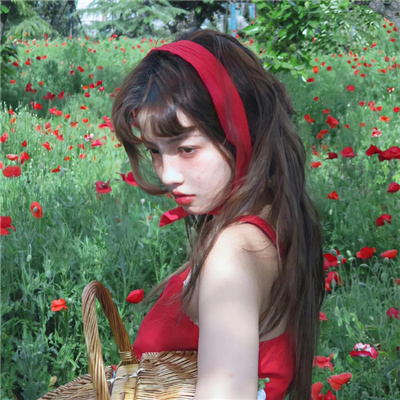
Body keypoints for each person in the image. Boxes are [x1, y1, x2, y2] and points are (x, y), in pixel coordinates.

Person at [111, 29, 325, 400]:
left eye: (186, 149)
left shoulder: (233, 255)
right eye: (155, 151)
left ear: (240, 132)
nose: (167, 175)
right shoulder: (273, 215)